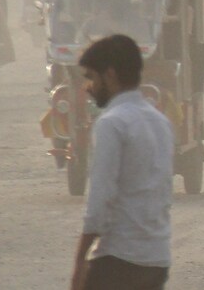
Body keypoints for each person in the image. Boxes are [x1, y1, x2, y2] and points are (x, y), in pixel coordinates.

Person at [70, 35, 174, 290]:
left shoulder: (111, 123)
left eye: (92, 77)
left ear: (110, 74)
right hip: (157, 260)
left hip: (118, 260)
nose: (89, 87)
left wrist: (79, 261)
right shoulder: (160, 122)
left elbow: (100, 201)